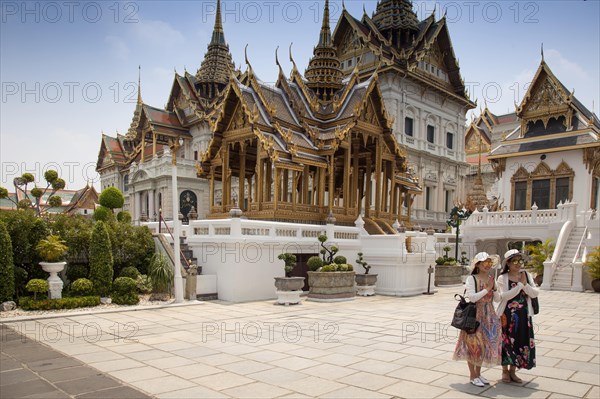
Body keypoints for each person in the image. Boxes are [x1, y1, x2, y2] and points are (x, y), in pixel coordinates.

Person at [453, 252, 502, 387]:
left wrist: (495, 289)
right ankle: (472, 375)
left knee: (484, 346)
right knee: (474, 345)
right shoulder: (472, 279)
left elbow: (498, 299)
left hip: (490, 315)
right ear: (478, 265)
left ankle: (478, 374)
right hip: (475, 315)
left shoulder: (492, 278)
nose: (487, 265)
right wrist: (487, 289)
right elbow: (473, 298)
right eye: (484, 263)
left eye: (489, 263)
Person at [496, 249, 538, 383]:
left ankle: (513, 371)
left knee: (520, 341)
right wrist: (520, 285)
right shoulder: (503, 278)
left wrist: (525, 285)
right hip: (506, 315)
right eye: (514, 261)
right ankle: (504, 371)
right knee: (505, 342)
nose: (518, 264)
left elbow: (534, 293)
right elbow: (503, 296)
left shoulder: (526, 275)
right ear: (508, 263)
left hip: (523, 315)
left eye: (520, 261)